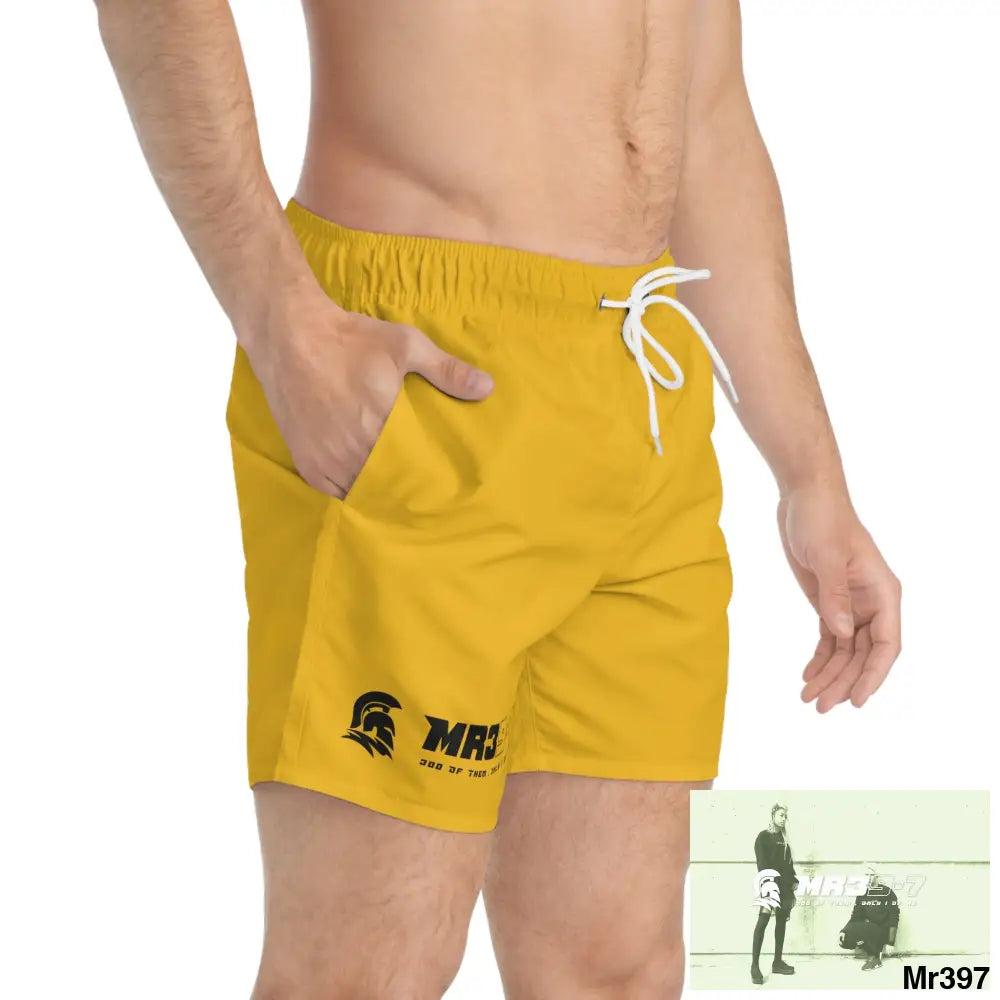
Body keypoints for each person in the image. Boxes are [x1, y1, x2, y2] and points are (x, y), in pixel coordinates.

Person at [93, 2, 903, 997]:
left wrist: (811, 474)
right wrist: (280, 317)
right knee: (365, 971)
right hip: (423, 364)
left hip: (642, 383)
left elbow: (704, 111)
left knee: (616, 970)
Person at [751, 804, 797, 983]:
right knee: (763, 921)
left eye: (785, 816)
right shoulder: (763, 837)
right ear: (773, 815)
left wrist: (794, 880)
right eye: (781, 815)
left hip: (785, 887)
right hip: (770, 885)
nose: (784, 818)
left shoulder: (784, 840)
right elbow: (762, 865)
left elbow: (788, 865)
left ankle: (777, 962)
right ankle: (754, 966)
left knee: (781, 922)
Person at [840, 865, 900, 971]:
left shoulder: (887, 892)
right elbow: (855, 916)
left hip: (882, 931)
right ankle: (871, 950)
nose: (867, 877)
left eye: (870, 875)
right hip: (868, 930)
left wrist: (891, 942)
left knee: (866, 928)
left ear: (876, 877)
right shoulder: (862, 894)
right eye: (865, 875)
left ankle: (875, 957)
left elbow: (894, 917)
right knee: (845, 939)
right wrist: (844, 931)